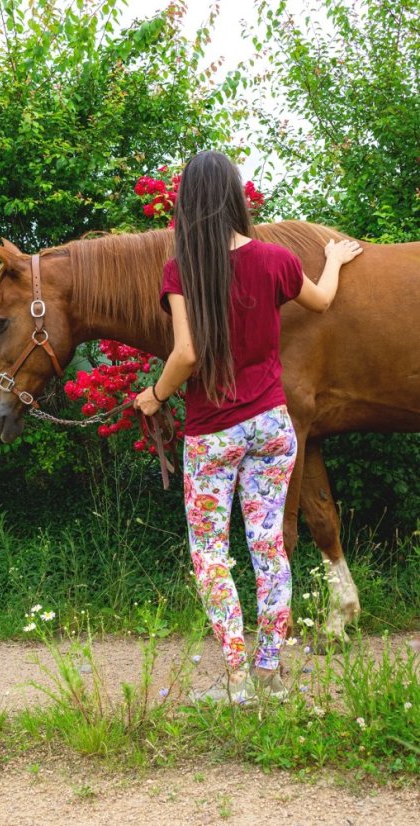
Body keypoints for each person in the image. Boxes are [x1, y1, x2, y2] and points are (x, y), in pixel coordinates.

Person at [133, 150, 363, 704]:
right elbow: (322, 300)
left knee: (211, 555)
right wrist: (333, 259)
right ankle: (270, 673)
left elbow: (186, 353)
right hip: (271, 427)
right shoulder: (275, 259)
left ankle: (237, 681)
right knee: (268, 547)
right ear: (235, 198)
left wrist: (154, 396)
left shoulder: (182, 269)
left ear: (189, 203)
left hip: (213, 433)